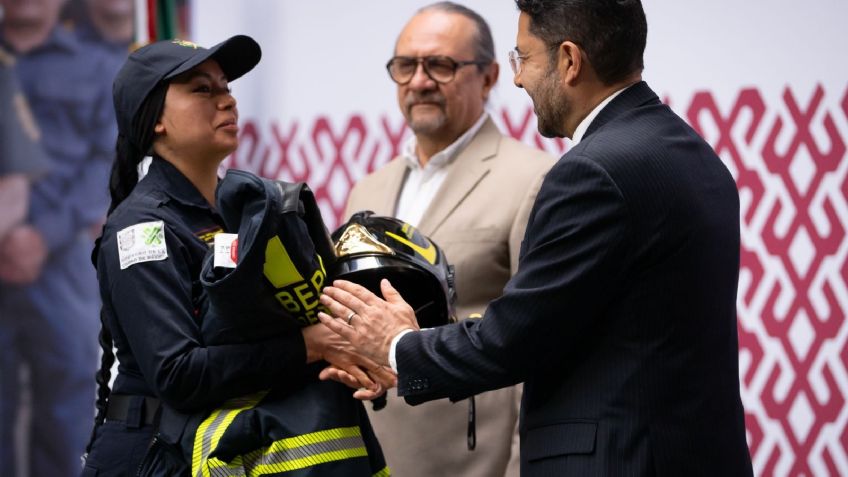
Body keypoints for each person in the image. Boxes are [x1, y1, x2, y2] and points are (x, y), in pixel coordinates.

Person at [318, 0, 755, 475]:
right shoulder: (694, 154)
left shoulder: (591, 172)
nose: (519, 79)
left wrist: (398, 344)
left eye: (523, 58)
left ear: (569, 61)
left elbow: (514, 338)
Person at [82, 35, 390, 476]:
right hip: (152, 457)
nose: (226, 101)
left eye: (226, 87)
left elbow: (278, 331)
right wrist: (309, 346)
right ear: (155, 120)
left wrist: (347, 355)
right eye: (202, 90)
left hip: (225, 453)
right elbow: (179, 374)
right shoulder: (143, 229)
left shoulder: (249, 211)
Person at [342, 2, 553, 476]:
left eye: (440, 65)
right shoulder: (368, 189)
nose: (419, 81)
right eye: (405, 66)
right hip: (370, 455)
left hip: (474, 461)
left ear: (490, 75)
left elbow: (541, 349)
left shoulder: (534, 179)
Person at [0, 0, 116, 474]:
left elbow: (105, 164)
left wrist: (42, 236)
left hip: (62, 258)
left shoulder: (97, 67)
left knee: (68, 401)